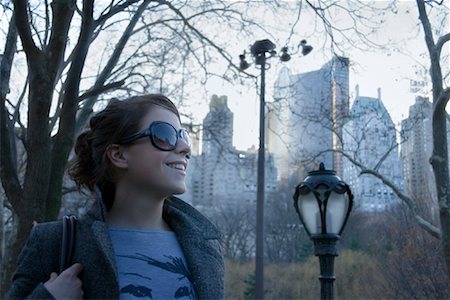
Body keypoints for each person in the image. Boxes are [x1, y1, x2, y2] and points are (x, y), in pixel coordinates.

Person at [6, 94, 224, 299]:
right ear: (119, 155)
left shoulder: (205, 246)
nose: (185, 147)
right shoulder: (54, 242)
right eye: (165, 135)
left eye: (182, 135)